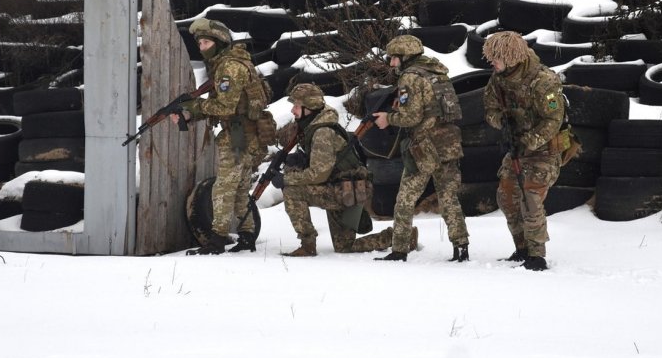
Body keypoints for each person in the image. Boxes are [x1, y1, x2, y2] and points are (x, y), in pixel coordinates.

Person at [173, 18, 270, 255]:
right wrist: (190, 115)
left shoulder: (229, 68)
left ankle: (216, 241)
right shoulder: (232, 63)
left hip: (239, 138)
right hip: (247, 135)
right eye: (200, 43)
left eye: (206, 42)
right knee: (238, 191)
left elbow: (225, 107)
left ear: (219, 42)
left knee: (223, 189)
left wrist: (194, 108)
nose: (202, 47)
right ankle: (247, 236)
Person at [373, 35, 469, 262]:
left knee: (405, 198)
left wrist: (389, 118)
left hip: (425, 147)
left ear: (405, 57)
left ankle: (399, 250)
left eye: (394, 58)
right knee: (448, 198)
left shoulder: (410, 77)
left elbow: (411, 116)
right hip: (448, 142)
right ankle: (461, 247)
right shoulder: (437, 72)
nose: (391, 64)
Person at [275, 83, 399, 257]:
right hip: (344, 188)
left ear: (309, 108)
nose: (293, 111)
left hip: (343, 191)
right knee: (344, 246)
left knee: (292, 190)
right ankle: (397, 238)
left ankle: (307, 244)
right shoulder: (314, 125)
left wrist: (286, 179)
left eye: (296, 106)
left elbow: (318, 174)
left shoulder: (322, 132)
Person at [482, 31, 568, 271]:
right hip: (517, 147)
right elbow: (489, 108)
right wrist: (501, 122)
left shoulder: (543, 81)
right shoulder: (498, 79)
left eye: (496, 58)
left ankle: (537, 254)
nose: (492, 63)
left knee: (530, 198)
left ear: (511, 58)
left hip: (543, 150)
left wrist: (529, 140)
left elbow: (553, 119)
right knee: (506, 196)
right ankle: (521, 248)